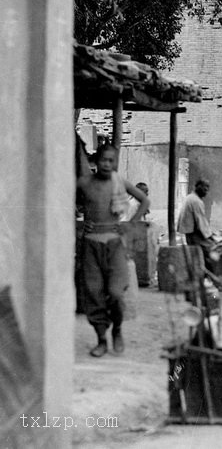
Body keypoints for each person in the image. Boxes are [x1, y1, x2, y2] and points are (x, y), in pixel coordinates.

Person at [76, 143, 150, 357]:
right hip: (90, 245)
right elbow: (62, 203)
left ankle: (116, 329)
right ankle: (101, 339)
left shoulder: (120, 182)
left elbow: (144, 200)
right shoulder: (84, 183)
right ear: (96, 162)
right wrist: (79, 222)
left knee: (116, 293)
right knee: (94, 294)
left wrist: (131, 223)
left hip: (115, 245)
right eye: (103, 160)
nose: (107, 164)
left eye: (111, 160)